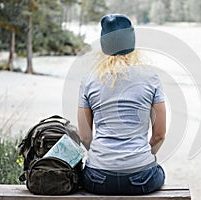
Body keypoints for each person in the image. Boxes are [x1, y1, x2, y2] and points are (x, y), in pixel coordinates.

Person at [78, 14, 166, 195]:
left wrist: (104, 159)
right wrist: (139, 157)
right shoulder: (151, 78)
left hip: (98, 178)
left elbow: (85, 137)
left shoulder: (88, 80)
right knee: (159, 173)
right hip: (141, 177)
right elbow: (159, 135)